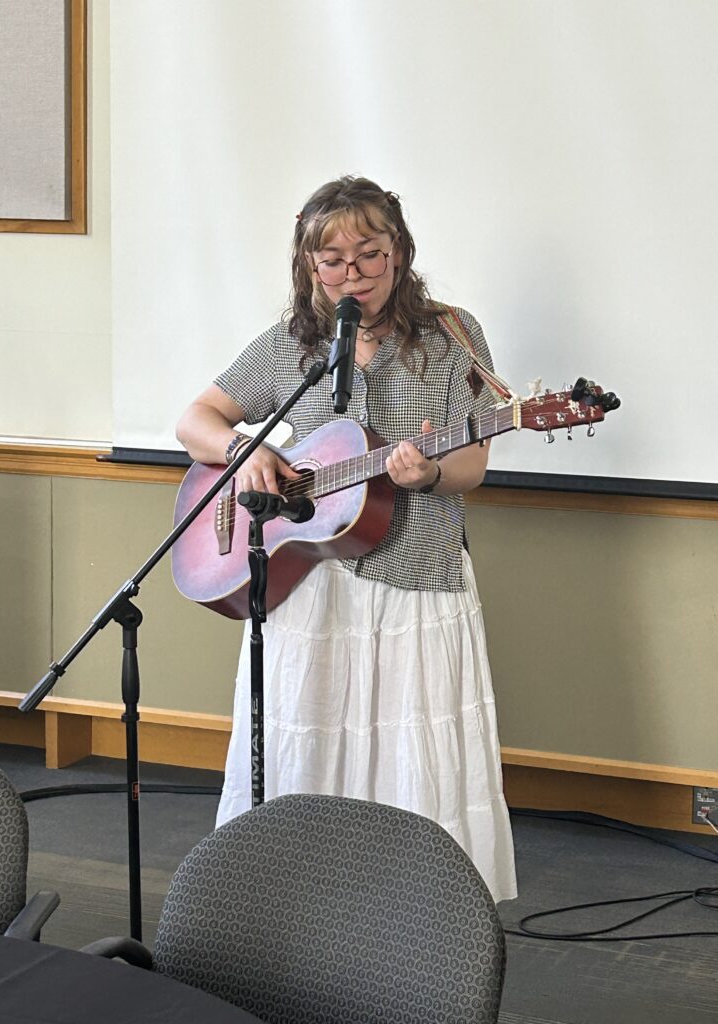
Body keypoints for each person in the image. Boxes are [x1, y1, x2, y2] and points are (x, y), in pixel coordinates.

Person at [176, 175, 517, 902]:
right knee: (311, 738)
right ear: (309, 267)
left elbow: (473, 465)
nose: (352, 272)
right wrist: (244, 451)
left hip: (418, 576)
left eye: (369, 252)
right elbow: (196, 419)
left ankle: (418, 905)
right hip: (310, 582)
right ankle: (301, 895)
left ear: (400, 253)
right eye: (333, 260)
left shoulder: (454, 335)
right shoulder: (291, 344)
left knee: (411, 750)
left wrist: (426, 472)